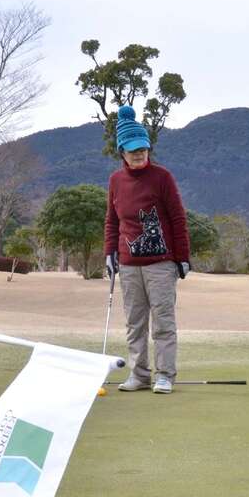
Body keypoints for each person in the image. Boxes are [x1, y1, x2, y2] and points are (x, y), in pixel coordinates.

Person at [104, 106, 191, 394]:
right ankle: (139, 375)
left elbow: (177, 218)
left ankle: (164, 375)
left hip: (161, 263)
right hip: (129, 264)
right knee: (134, 322)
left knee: (163, 321)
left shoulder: (162, 177)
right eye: (132, 150)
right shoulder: (116, 181)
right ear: (122, 153)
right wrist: (109, 253)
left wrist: (182, 257)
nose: (139, 154)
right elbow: (112, 220)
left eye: (143, 148)